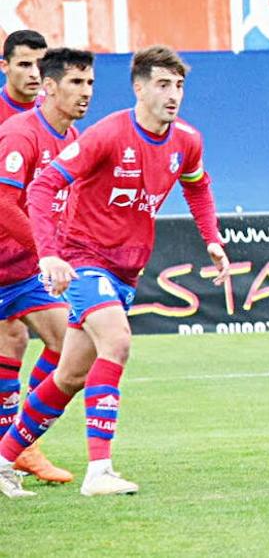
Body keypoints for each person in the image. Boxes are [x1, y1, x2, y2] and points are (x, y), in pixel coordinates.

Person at [0, 46, 230, 498]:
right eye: (163, 85)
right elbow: (45, 186)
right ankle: (99, 470)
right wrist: (49, 253)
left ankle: (4, 458)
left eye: (179, 86)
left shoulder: (187, 140)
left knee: (68, 375)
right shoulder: (106, 134)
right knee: (117, 340)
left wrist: (213, 240)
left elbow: (198, 187)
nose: (173, 95)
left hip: (127, 270)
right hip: (85, 259)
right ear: (139, 88)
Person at [0, 47, 92, 485]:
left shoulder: (72, 139)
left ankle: (20, 440)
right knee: (10, 347)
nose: (86, 92)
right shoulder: (20, 133)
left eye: (90, 83)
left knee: (69, 347)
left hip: (24, 267)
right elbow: (3, 202)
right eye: (77, 83)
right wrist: (47, 252)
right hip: (13, 259)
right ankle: (16, 450)